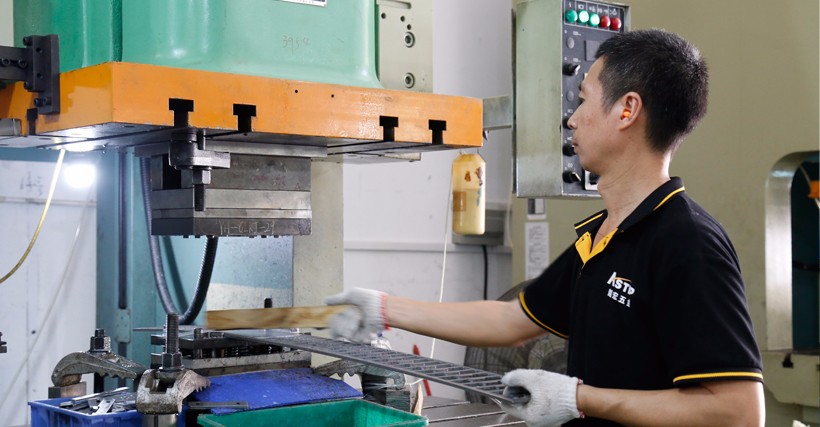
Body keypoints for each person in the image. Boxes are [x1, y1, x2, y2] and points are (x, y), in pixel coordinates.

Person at [326, 29, 764, 427]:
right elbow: (513, 319)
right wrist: (384, 308)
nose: (572, 119)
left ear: (627, 110)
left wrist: (579, 399)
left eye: (584, 100)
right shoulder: (603, 237)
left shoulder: (687, 241)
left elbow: (740, 412)